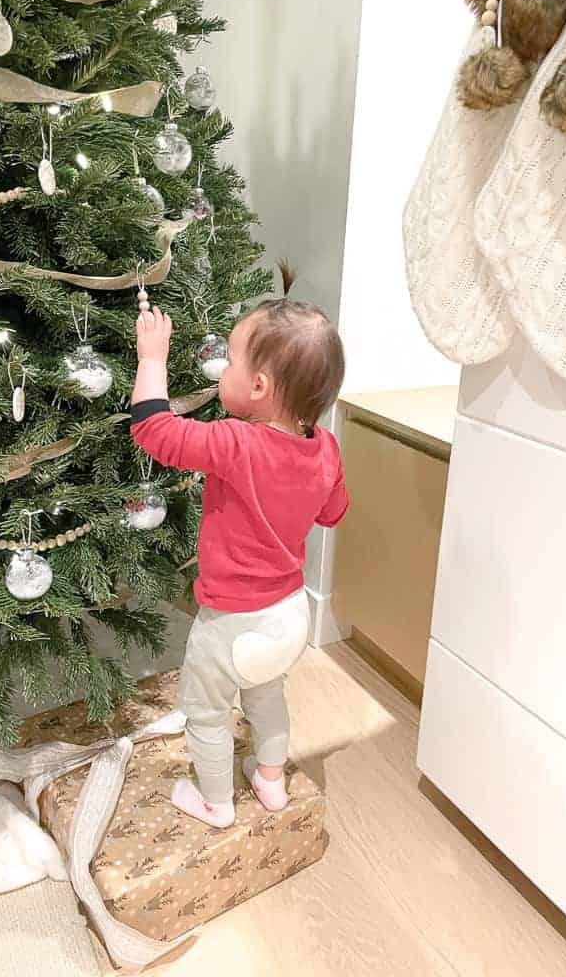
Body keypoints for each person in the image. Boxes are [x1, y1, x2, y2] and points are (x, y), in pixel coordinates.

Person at [130, 298, 349, 828]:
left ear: (258, 388)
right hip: (288, 616)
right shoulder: (326, 448)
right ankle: (270, 780)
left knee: (206, 713)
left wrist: (151, 359)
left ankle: (215, 803)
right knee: (266, 694)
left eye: (229, 359)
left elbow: (154, 432)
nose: (222, 368)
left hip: (231, 623)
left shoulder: (235, 442)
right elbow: (333, 513)